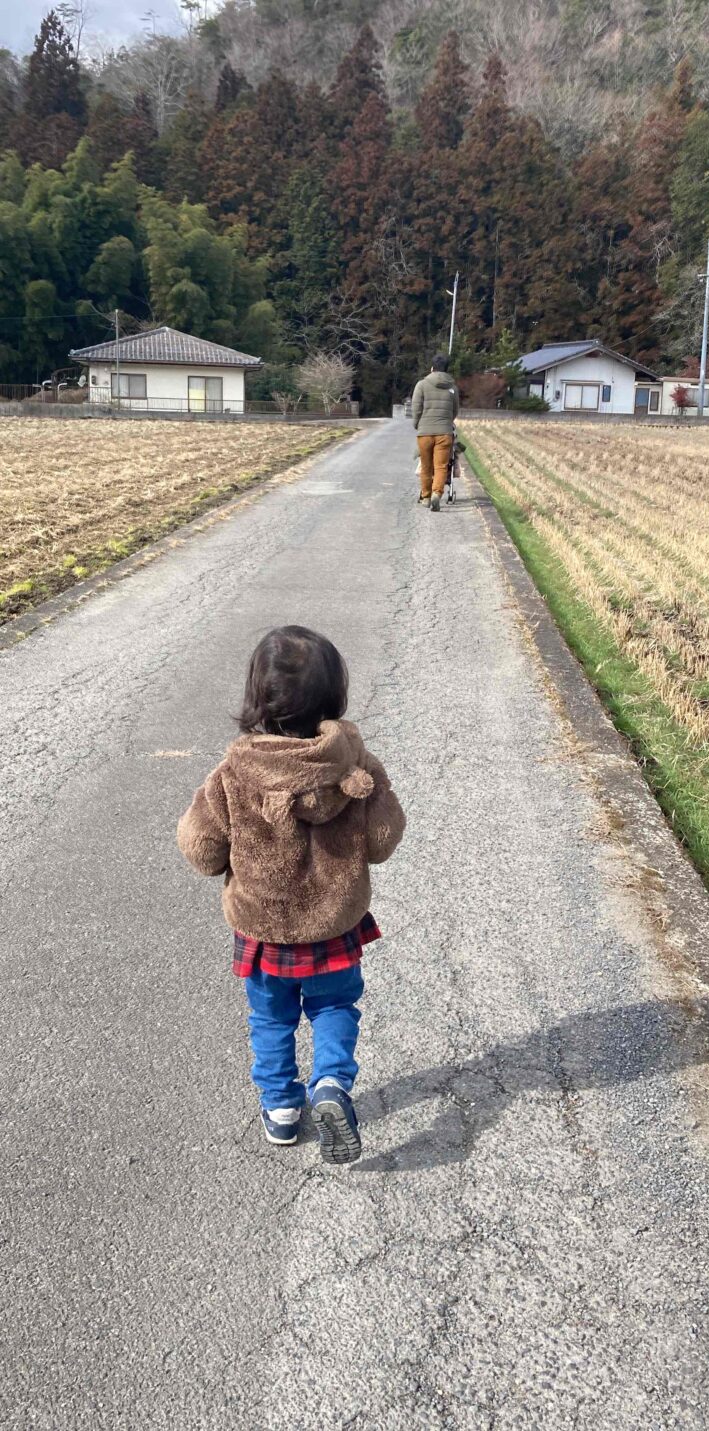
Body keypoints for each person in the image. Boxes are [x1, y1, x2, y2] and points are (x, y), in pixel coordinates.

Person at [177, 625, 405, 1165]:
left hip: (266, 930)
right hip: (333, 924)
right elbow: (381, 840)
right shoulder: (354, 763)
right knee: (334, 1006)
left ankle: (281, 1109)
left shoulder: (234, 773)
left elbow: (202, 850)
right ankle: (329, 1084)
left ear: (256, 696)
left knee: (272, 1020)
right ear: (335, 694)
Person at [411, 353, 460, 511]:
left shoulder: (422, 385)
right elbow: (455, 410)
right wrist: (447, 421)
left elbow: (416, 408)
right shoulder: (452, 387)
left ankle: (425, 497)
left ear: (432, 368)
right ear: (446, 369)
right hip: (444, 432)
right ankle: (436, 495)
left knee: (426, 466)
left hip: (425, 432)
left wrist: (417, 424)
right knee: (441, 466)